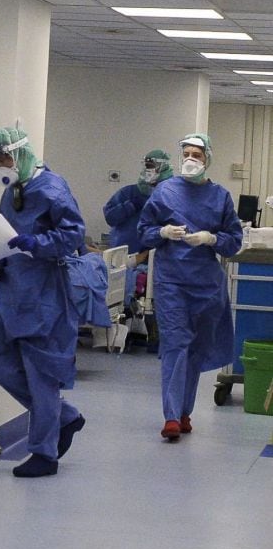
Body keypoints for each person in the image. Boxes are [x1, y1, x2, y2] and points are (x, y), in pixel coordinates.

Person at [0, 127, 87, 477]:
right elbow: (5, 229)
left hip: (42, 291)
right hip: (12, 288)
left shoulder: (52, 188)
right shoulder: (13, 189)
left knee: (41, 375)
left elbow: (73, 234)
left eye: (3, 157)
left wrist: (36, 244)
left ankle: (44, 453)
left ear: (21, 154)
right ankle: (66, 417)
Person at [136, 133, 242, 441]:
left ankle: (184, 412)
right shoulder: (164, 193)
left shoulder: (220, 196)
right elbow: (144, 232)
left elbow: (233, 242)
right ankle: (170, 416)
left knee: (195, 350)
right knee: (175, 345)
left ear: (208, 159)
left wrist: (211, 238)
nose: (191, 159)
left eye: (197, 154)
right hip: (172, 282)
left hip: (207, 284)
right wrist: (163, 232)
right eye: (186, 154)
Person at [103, 149, 172, 255]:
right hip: (124, 253)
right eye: (147, 166)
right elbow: (110, 217)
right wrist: (130, 206)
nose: (149, 169)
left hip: (157, 254)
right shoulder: (129, 192)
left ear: (164, 167)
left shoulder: (171, 195)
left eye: (153, 166)